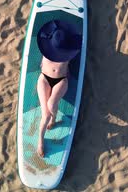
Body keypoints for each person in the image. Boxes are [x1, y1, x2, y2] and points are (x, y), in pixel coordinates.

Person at [36, 20, 82, 157]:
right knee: (45, 113)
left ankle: (54, 118)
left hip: (61, 80)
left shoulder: (68, 50)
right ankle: (40, 141)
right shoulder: (47, 49)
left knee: (51, 104)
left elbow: (74, 41)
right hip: (44, 78)